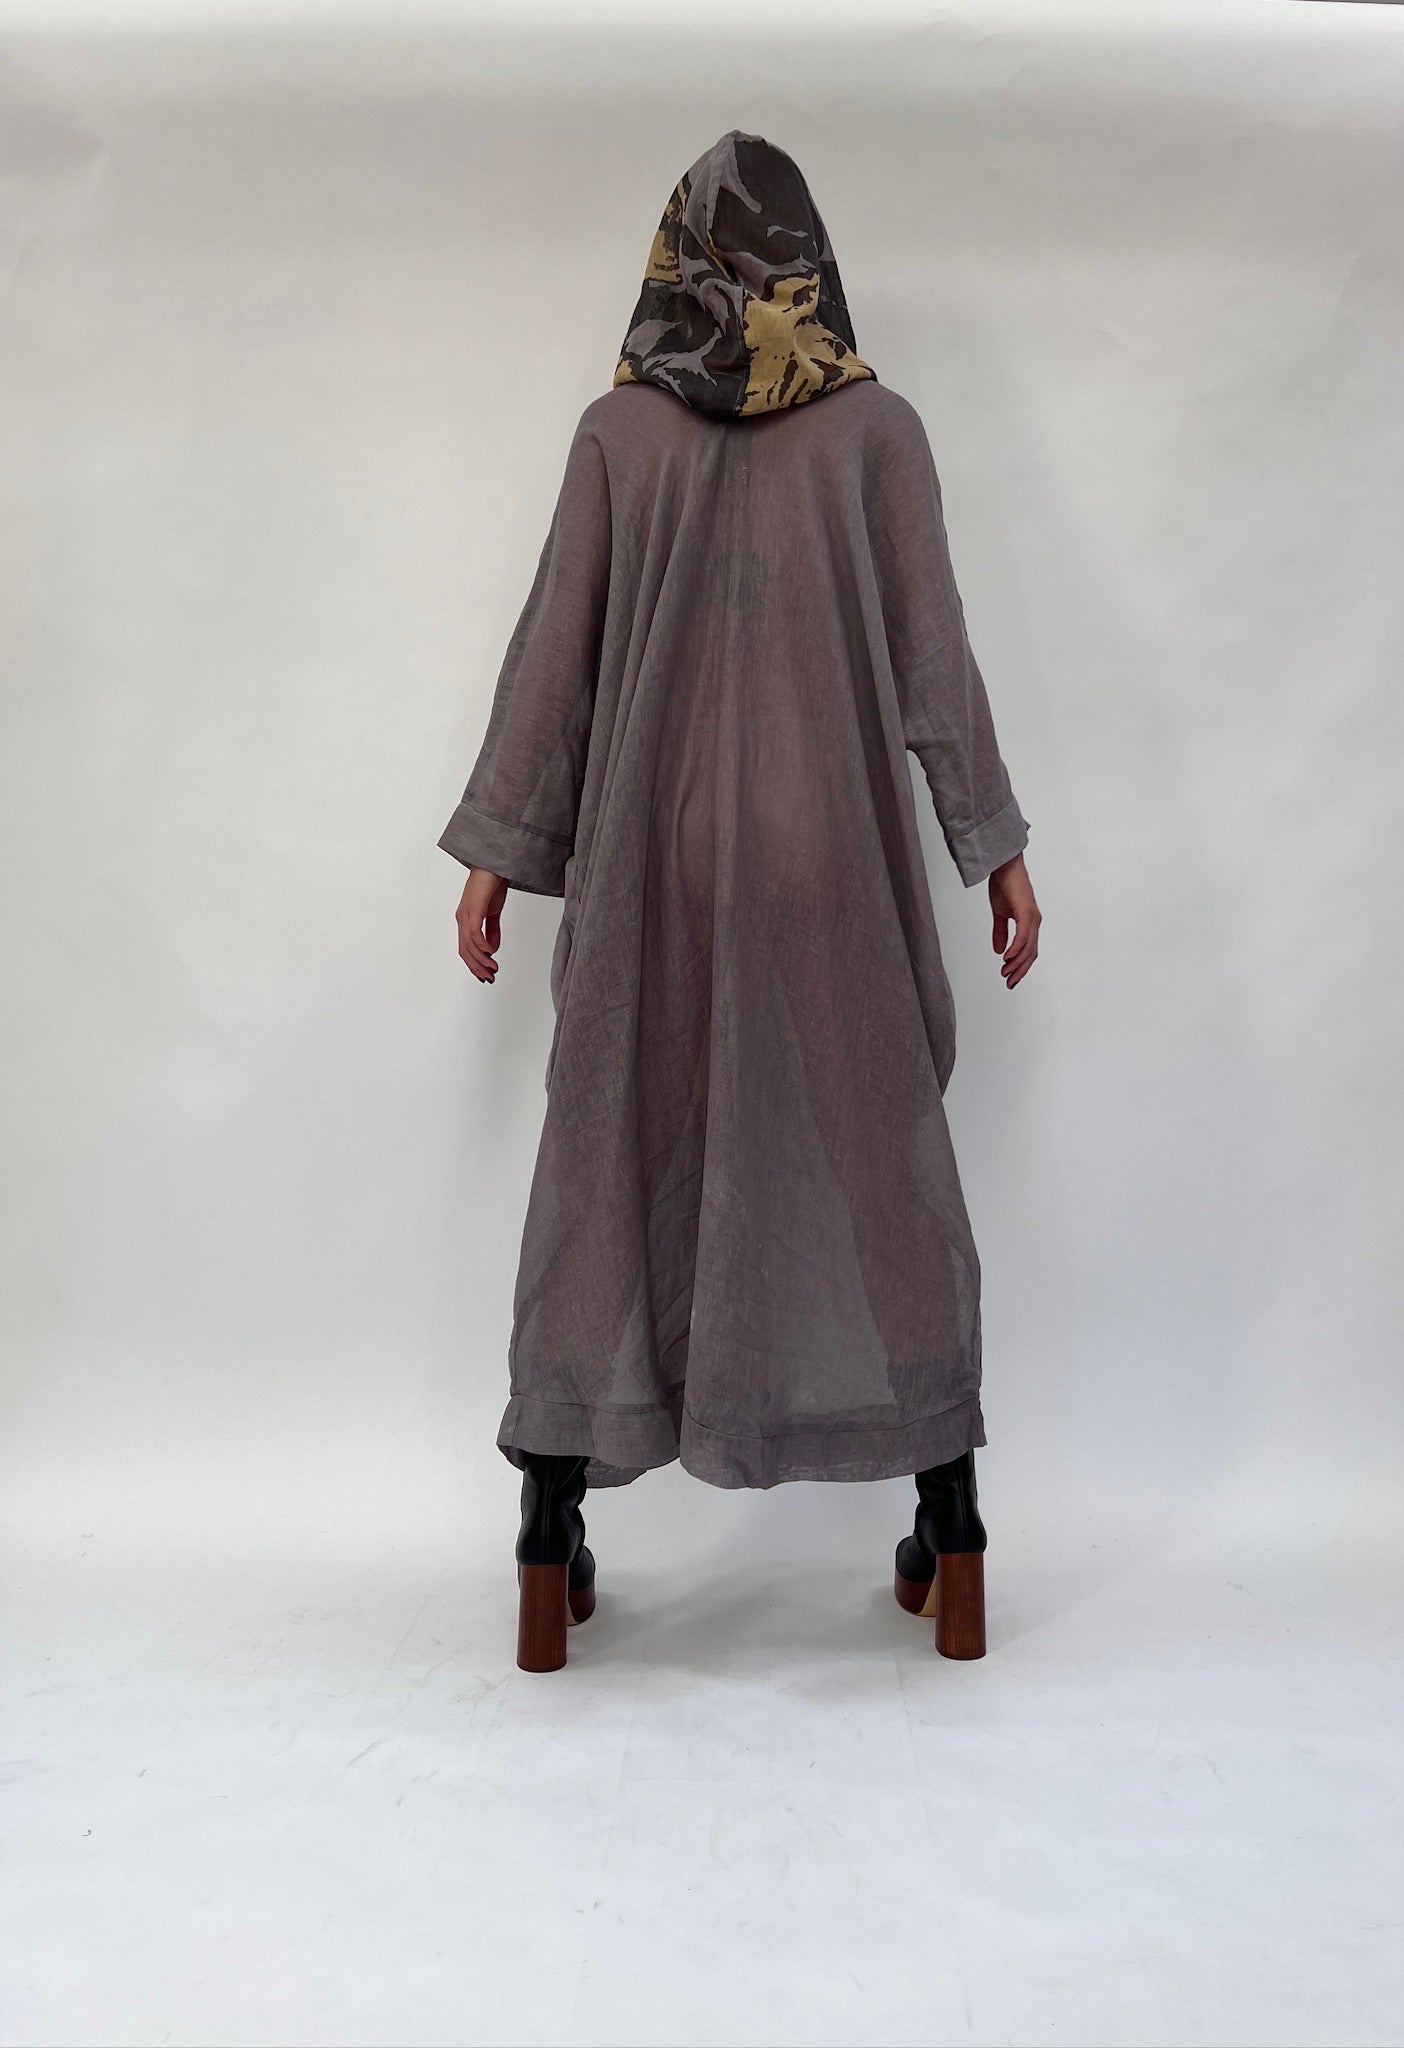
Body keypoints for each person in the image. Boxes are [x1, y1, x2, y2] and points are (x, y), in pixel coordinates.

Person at [439, 130, 1041, 1671]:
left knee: (606, 1151)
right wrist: (992, 846)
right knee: (882, 1151)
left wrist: (500, 849)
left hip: (655, 853)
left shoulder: (616, 436)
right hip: (830, 851)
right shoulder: (879, 434)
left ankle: (549, 1528)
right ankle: (954, 1525)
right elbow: (935, 659)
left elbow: (556, 657)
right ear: (808, 266)